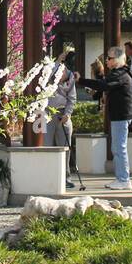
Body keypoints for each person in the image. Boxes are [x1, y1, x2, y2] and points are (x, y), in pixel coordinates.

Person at [78, 45, 132, 190]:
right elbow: (103, 87)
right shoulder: (118, 73)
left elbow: (103, 85)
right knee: (117, 148)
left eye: (109, 58)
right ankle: (121, 178)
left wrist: (81, 80)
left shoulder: (120, 74)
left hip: (121, 115)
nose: (107, 61)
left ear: (116, 59)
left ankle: (123, 180)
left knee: (119, 148)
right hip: (119, 115)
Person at [44, 59, 78, 189]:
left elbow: (72, 98)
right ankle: (49, 175)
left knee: (65, 146)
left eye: (62, 75)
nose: (60, 78)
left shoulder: (70, 77)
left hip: (63, 114)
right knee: (47, 145)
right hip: (47, 113)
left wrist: (67, 114)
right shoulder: (49, 73)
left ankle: (66, 177)